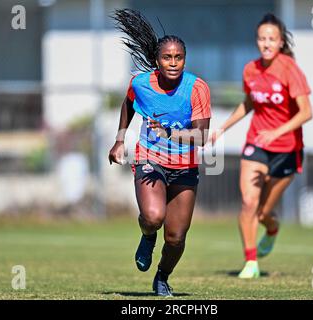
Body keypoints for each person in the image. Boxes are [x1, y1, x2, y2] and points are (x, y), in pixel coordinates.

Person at [109, 9, 211, 296]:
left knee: (177, 237)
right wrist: (120, 140)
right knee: (153, 217)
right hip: (150, 159)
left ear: (184, 60)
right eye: (167, 57)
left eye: (179, 57)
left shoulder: (197, 88)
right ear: (157, 59)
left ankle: (162, 276)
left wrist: (170, 133)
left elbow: (201, 136)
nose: (173, 63)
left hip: (185, 167)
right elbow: (129, 104)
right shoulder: (141, 83)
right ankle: (147, 235)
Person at [208, 13, 313, 278]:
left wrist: (277, 132)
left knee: (265, 212)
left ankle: (272, 228)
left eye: (272, 39)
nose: (266, 43)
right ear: (257, 41)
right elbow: (249, 103)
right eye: (262, 38)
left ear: (280, 43)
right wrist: (222, 127)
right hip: (257, 143)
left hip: (287, 149)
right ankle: (251, 262)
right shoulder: (250, 69)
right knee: (248, 201)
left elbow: (306, 112)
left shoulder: (290, 69)